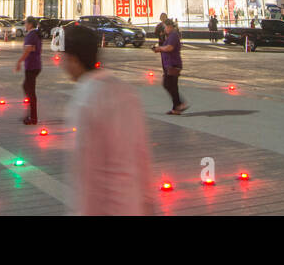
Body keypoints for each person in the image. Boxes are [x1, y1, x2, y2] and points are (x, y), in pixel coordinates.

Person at [60, 24, 151, 215]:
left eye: (63, 57)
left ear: (74, 59)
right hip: (134, 204)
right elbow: (142, 154)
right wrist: (147, 202)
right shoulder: (126, 91)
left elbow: (87, 173)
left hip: (107, 208)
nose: (61, 63)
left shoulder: (85, 100)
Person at [152, 19, 187, 114]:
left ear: (170, 27)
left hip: (173, 64)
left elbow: (169, 48)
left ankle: (180, 104)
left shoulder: (173, 36)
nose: (165, 29)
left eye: (166, 27)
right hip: (170, 64)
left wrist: (159, 49)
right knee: (172, 85)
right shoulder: (169, 36)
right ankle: (176, 108)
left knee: (168, 84)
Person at [15, 16, 42, 124]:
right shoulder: (36, 34)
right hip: (36, 65)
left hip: (31, 66)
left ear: (30, 24)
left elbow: (28, 49)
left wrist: (19, 61)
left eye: (26, 23)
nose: (25, 25)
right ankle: (30, 114)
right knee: (27, 88)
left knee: (30, 91)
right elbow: (34, 48)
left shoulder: (31, 35)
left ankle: (33, 118)